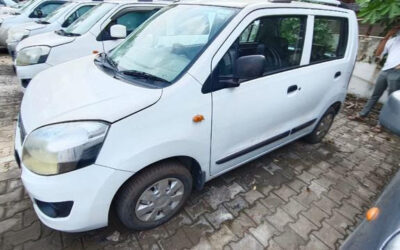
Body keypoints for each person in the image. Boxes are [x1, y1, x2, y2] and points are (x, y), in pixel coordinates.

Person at [349, 25, 400, 132]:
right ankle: (362, 115)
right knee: (375, 95)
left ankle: (381, 124)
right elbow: (378, 53)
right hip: (385, 70)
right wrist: (387, 36)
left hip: (397, 73)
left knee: (391, 100)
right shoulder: (393, 40)